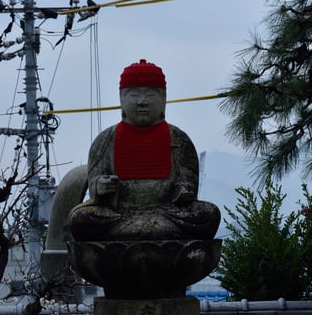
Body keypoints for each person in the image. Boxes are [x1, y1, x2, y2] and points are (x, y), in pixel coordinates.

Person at [67, 59, 220, 241]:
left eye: (150, 95)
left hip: (166, 214)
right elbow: (94, 188)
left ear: (163, 99)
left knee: (209, 214)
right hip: (119, 215)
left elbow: (190, 188)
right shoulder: (105, 141)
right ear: (122, 99)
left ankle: (134, 237)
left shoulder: (179, 140)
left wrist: (183, 191)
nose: (142, 102)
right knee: (80, 218)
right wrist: (100, 187)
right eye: (134, 95)